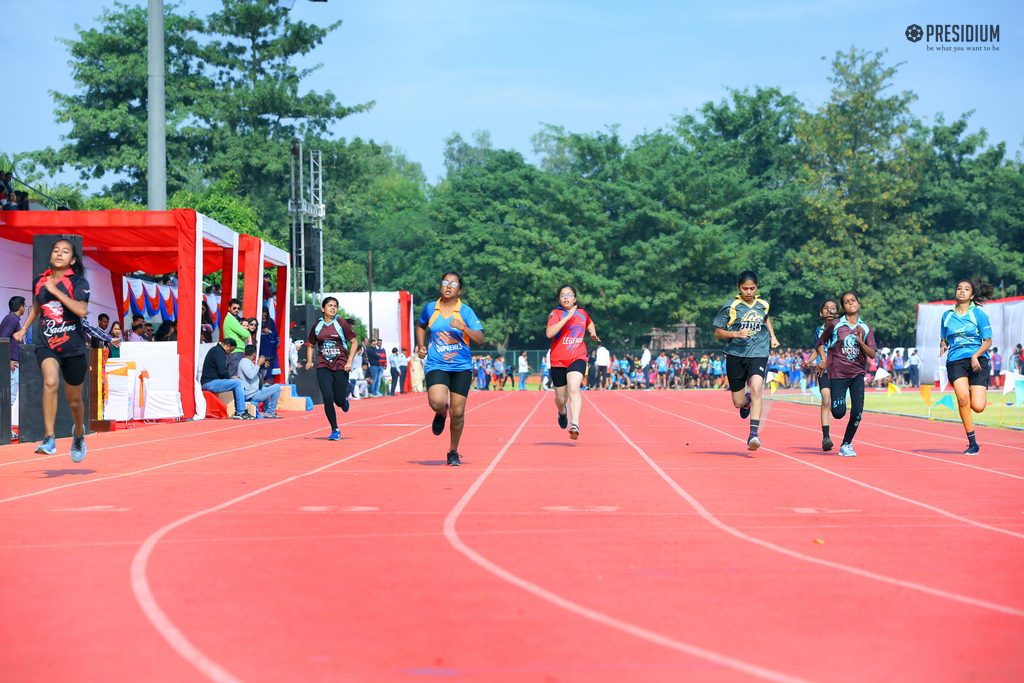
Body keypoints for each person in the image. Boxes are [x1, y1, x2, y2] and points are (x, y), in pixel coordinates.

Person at [12, 240, 93, 460]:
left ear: (73, 260)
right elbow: (39, 303)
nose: (59, 253)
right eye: (56, 250)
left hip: (73, 348)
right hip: (47, 343)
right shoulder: (39, 281)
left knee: (74, 402)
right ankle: (49, 437)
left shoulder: (78, 281)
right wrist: (25, 327)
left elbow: (81, 310)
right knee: (50, 381)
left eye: (65, 251)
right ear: (50, 256)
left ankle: (78, 433)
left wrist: (55, 290)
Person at [416, 271, 485, 466]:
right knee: (437, 402)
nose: (448, 286)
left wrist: (464, 327)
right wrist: (421, 346)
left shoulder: (465, 311)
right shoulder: (431, 309)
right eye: (445, 282)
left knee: (459, 412)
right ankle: (440, 412)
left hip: (461, 366)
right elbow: (421, 326)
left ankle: (453, 451)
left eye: (453, 284)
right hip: (437, 364)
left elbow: (480, 339)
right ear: (441, 286)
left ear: (459, 290)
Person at [713, 270, 780, 451]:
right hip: (735, 354)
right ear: (738, 287)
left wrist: (772, 336)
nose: (749, 292)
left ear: (756, 287)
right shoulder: (731, 306)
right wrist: (735, 333)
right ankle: (747, 401)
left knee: (757, 388)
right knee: (738, 402)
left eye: (752, 288)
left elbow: (766, 319)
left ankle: (753, 434)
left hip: (759, 352)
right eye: (745, 288)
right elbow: (718, 332)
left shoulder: (763, 304)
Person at [816, 291, 877, 457]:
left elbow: (872, 354)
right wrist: (823, 358)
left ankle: (846, 444)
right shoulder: (835, 325)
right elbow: (821, 343)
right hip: (838, 374)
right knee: (838, 412)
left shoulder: (865, 328)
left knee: (857, 412)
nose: (851, 303)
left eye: (853, 300)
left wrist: (860, 342)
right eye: (847, 302)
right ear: (843, 307)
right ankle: (839, 428)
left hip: (857, 374)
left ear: (858, 304)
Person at [939, 277, 995, 455]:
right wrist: (943, 345)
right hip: (955, 361)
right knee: (963, 400)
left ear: (971, 295)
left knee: (978, 406)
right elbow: (943, 338)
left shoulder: (978, 314)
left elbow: (988, 341)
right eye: (959, 288)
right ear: (955, 293)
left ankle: (971, 390)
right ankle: (972, 443)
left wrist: (975, 355)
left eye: (966, 289)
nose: (962, 291)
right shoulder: (947, 315)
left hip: (978, 360)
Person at [546, 285, 600, 441]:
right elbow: (549, 333)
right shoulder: (555, 314)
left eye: (569, 295)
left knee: (574, 387)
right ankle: (562, 412)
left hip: (578, 356)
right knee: (561, 399)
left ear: (575, 298)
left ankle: (575, 423)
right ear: (559, 299)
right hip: (558, 360)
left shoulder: (582, 313)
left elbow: (589, 322)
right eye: (563, 295)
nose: (566, 298)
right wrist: (566, 318)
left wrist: (592, 333)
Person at [305, 297, 359, 441]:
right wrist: (310, 361)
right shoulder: (317, 326)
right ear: (323, 309)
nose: (333, 308)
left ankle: (343, 401)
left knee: (339, 401)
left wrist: (349, 361)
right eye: (330, 306)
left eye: (335, 306)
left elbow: (354, 342)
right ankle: (335, 429)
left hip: (341, 365)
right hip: (323, 366)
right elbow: (311, 345)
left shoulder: (341, 324)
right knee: (328, 396)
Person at [806, 299, 839, 451]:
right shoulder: (818, 331)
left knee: (838, 408)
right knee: (825, 400)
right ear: (821, 313)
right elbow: (817, 348)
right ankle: (826, 438)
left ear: (838, 312)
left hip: (840, 372)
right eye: (826, 308)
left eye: (833, 308)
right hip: (823, 371)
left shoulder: (842, 329)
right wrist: (810, 360)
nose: (830, 311)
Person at [201, 338, 253, 420]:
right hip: (210, 383)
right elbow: (222, 371)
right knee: (238, 383)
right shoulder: (219, 352)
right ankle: (241, 412)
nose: (230, 353)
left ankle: (240, 410)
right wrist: (231, 377)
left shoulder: (216, 350)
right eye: (231, 350)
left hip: (209, 382)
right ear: (228, 346)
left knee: (236, 382)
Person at [1, 296, 26, 439]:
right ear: (21, 307)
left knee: (8, 398)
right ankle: (5, 430)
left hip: (12, 362)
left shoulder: (10, 319)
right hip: (12, 364)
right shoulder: (12, 320)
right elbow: (3, 338)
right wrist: (8, 358)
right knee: (9, 398)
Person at [238, 344, 282, 418]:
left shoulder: (249, 362)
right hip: (251, 394)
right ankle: (270, 412)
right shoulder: (244, 362)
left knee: (265, 386)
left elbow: (258, 378)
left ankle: (266, 410)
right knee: (277, 388)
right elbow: (251, 375)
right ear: (254, 353)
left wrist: (264, 368)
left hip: (253, 391)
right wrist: (258, 364)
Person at [259, 306, 280, 381]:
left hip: (268, 344)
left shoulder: (270, 321)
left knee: (268, 361)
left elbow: (275, 333)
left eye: (265, 315)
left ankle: (268, 379)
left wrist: (269, 331)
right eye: (262, 315)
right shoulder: (257, 320)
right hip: (260, 344)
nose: (263, 317)